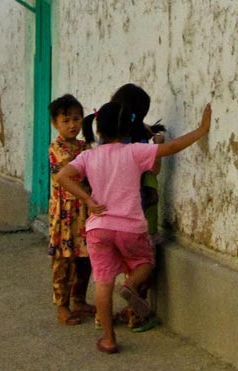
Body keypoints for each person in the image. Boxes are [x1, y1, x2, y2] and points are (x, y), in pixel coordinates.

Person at [58, 101, 211, 353]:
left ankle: (108, 339)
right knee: (145, 264)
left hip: (98, 228)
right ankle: (130, 285)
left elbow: (63, 176)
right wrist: (201, 129)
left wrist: (87, 199)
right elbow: (172, 147)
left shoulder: (88, 155)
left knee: (103, 283)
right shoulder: (135, 151)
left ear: (98, 130)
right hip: (130, 227)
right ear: (129, 129)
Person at [85, 83, 166, 331]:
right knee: (138, 265)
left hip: (104, 217)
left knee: (105, 276)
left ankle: (103, 319)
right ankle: (136, 316)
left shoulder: (105, 140)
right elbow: (154, 169)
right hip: (136, 213)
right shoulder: (140, 143)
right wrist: (159, 144)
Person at [47, 94, 95, 325]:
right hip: (65, 213)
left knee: (86, 259)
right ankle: (62, 305)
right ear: (55, 123)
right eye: (66, 120)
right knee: (63, 260)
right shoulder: (57, 148)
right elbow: (75, 172)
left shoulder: (85, 146)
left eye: (77, 119)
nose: (73, 125)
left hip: (84, 211)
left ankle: (79, 299)